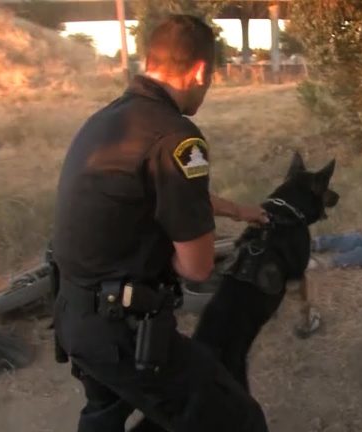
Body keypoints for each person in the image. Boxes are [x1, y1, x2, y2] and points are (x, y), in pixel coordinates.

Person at [51, 15, 269, 432]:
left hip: (74, 313)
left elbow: (153, 194)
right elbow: (197, 267)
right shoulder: (178, 138)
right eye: (210, 79)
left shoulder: (108, 119)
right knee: (238, 419)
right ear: (200, 71)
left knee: (105, 413)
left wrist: (238, 211)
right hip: (122, 332)